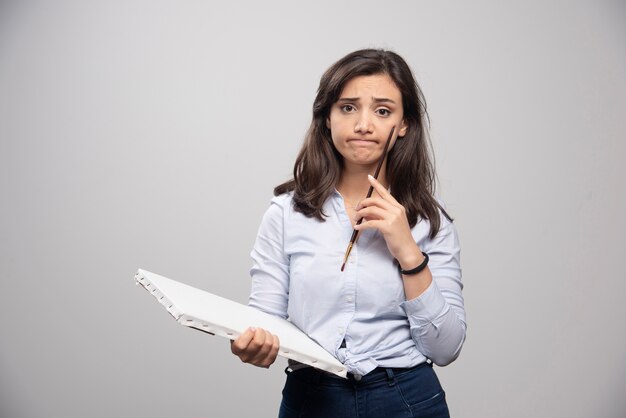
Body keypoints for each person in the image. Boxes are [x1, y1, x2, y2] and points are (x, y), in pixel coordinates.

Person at [231, 48, 466, 418]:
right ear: (327, 117)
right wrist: (254, 343)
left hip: (407, 400)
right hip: (312, 398)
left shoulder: (429, 221)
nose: (363, 125)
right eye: (348, 107)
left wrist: (407, 250)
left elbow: (446, 348)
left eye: (383, 111)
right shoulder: (285, 212)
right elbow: (264, 319)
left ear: (404, 124)